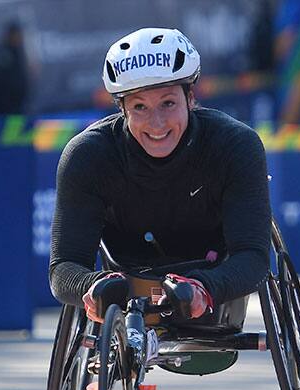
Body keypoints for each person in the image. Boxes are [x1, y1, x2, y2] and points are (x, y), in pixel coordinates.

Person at [49, 28, 271, 323]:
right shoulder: (88, 156)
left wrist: (205, 288)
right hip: (126, 272)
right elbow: (65, 264)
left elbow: (253, 257)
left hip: (210, 270)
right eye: (140, 107)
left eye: (168, 103)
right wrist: (90, 287)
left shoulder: (235, 145)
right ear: (122, 110)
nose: (157, 124)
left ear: (190, 98)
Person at [0, 21, 29, 114]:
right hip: (4, 106)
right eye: (16, 35)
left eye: (20, 36)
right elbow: (0, 81)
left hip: (19, 103)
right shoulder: (2, 52)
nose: (19, 38)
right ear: (10, 35)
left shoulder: (19, 51)